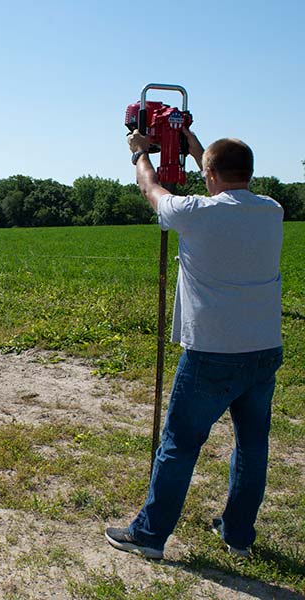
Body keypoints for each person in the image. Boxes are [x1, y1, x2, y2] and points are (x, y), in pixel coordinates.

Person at [105, 127, 284, 560]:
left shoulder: (195, 213)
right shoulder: (271, 210)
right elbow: (229, 185)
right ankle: (238, 534)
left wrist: (139, 154)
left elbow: (151, 189)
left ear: (209, 175)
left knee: (179, 444)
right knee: (252, 445)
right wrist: (198, 150)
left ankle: (149, 535)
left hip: (211, 353)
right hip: (262, 349)